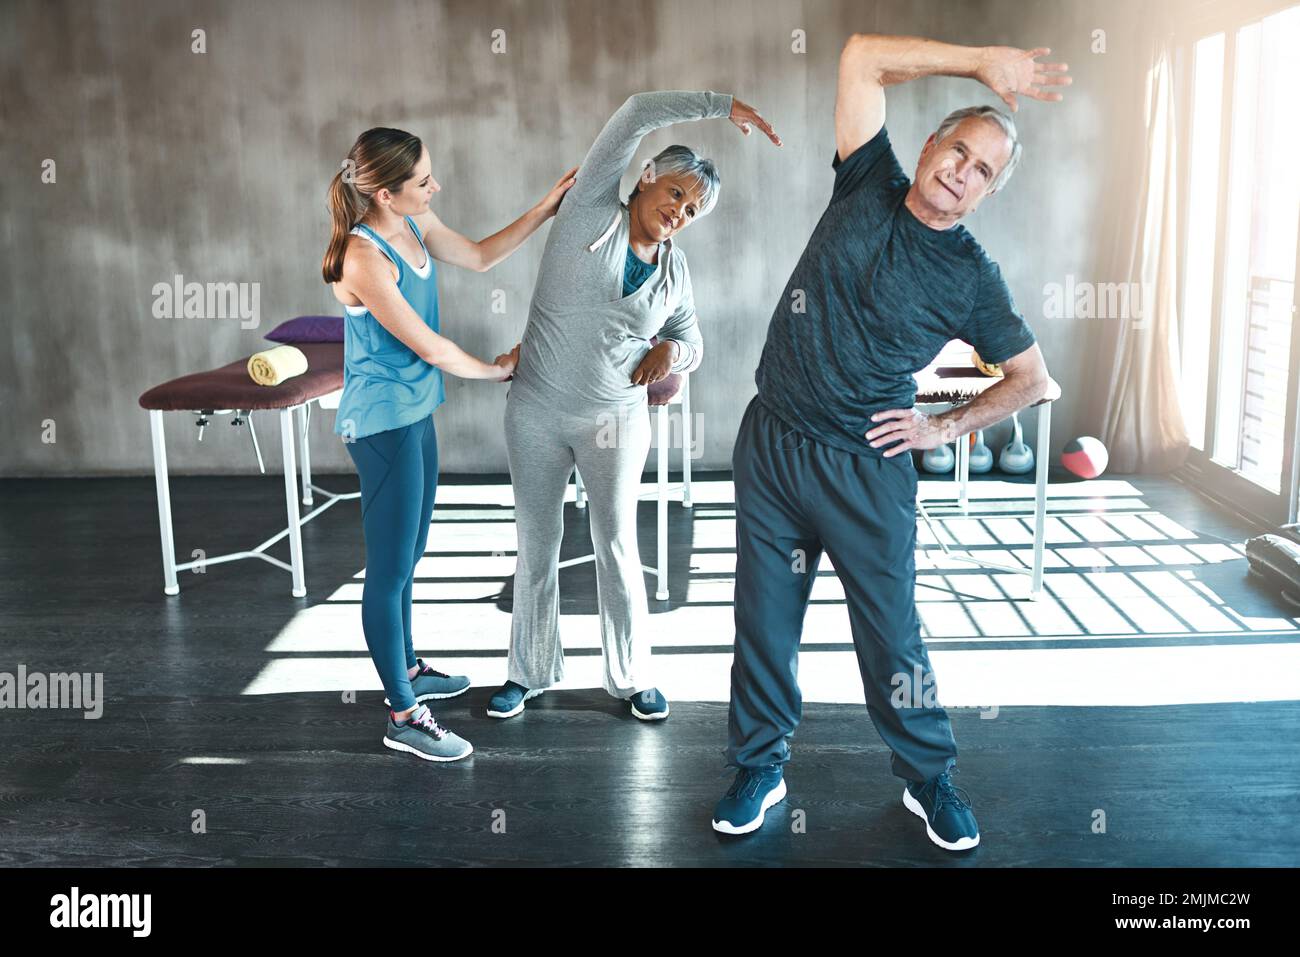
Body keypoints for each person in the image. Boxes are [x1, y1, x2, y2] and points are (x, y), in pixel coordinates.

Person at [713, 34, 1068, 849]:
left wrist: (941, 425)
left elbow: (1032, 378)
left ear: (987, 192)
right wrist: (981, 64)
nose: (962, 171)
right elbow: (861, 57)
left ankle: (929, 776)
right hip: (772, 441)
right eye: (958, 149)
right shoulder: (867, 175)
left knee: (890, 634)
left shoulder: (972, 276)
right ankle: (760, 765)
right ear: (932, 141)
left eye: (983, 170)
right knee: (763, 618)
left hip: (865, 468)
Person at [488, 91, 781, 721]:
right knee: (535, 544)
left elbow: (693, 338)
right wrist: (720, 106)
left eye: (693, 208)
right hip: (535, 411)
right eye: (676, 193)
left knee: (616, 544)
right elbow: (636, 111)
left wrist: (672, 354)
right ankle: (528, 671)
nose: (680, 211)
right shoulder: (590, 211)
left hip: (615, 422)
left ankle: (630, 676)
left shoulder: (675, 273)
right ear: (646, 177)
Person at [322, 127, 576, 761]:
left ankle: (408, 665)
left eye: (430, 174)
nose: (436, 187)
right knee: (386, 570)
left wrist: (546, 208)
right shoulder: (363, 256)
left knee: (410, 552)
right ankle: (403, 714)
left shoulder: (415, 221)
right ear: (383, 191)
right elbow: (429, 347)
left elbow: (483, 255)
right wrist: (500, 370)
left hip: (415, 412)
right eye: (423, 181)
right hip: (382, 424)